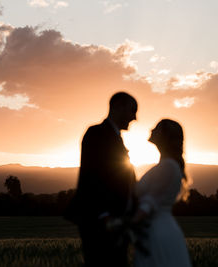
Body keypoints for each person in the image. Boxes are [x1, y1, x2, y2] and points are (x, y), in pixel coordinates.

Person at [65, 92, 137, 267]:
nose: (134, 118)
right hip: (100, 222)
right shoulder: (96, 133)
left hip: (116, 223)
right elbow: (92, 176)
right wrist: (104, 216)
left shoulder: (115, 137)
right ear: (118, 106)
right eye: (132, 110)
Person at [132, 119, 192, 267]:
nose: (151, 129)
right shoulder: (166, 165)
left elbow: (149, 203)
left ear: (165, 137)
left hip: (157, 232)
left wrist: (128, 223)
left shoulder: (168, 166)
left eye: (157, 128)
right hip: (156, 229)